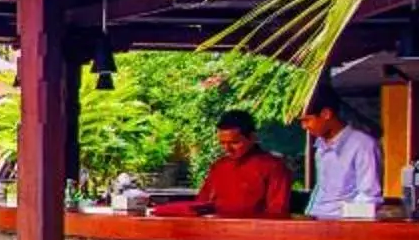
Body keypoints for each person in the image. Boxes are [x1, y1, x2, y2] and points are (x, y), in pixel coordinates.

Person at [156, 111, 290, 218]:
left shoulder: (274, 167)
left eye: (234, 142)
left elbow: (277, 212)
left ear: (252, 137)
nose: (227, 148)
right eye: (222, 143)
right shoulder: (219, 166)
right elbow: (201, 204)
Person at [300, 91, 385, 218]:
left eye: (307, 120)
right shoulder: (320, 146)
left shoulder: (363, 144)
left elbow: (369, 198)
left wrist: (342, 221)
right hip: (315, 220)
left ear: (326, 114)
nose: (304, 126)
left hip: (340, 227)